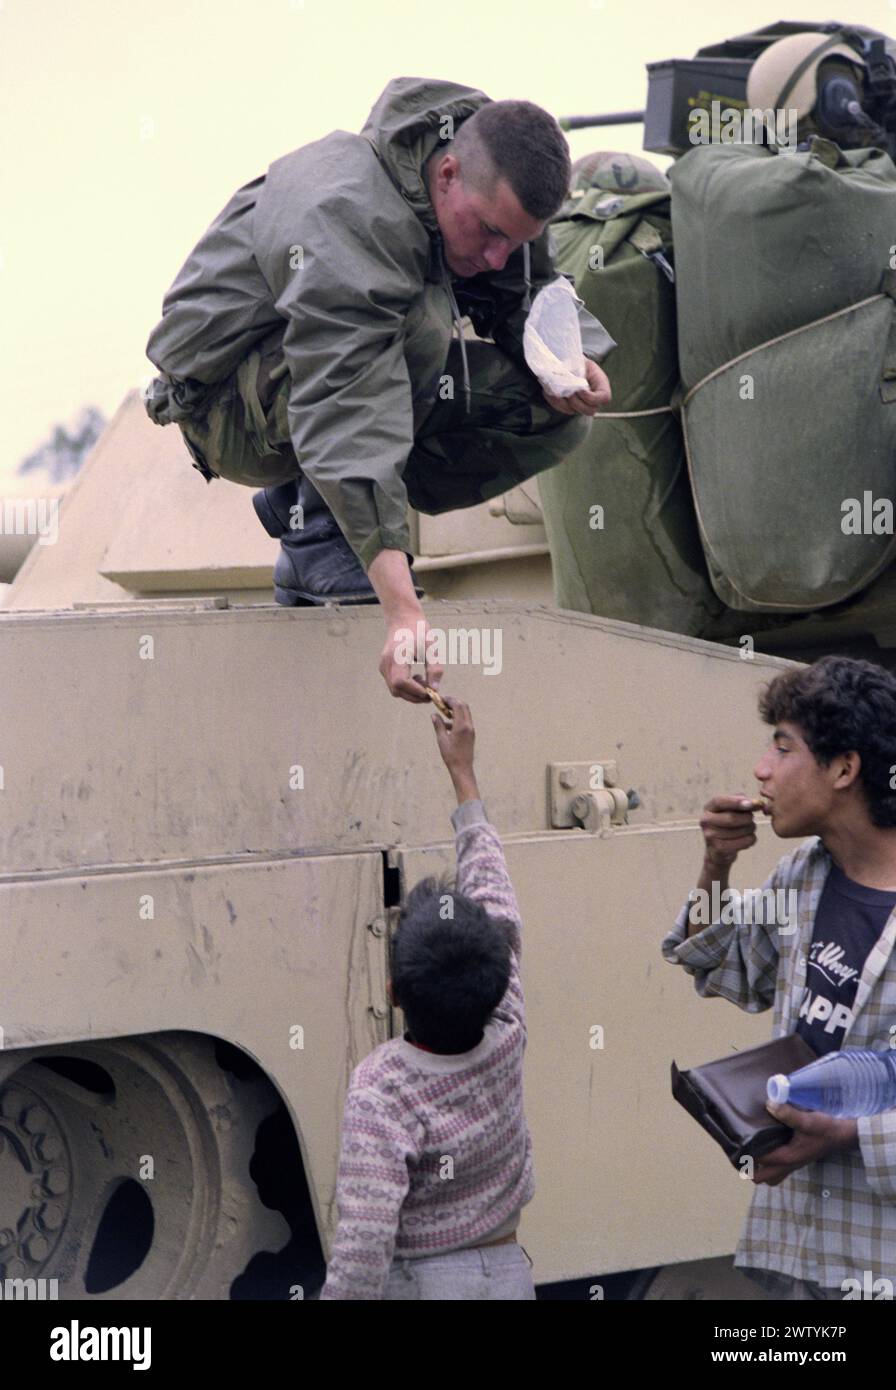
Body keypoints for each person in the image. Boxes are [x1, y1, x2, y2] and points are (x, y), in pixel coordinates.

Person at [142, 78, 614, 704]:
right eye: (490, 233)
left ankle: (319, 513)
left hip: (318, 386)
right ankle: (321, 533)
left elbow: (518, 290)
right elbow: (347, 402)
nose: (499, 256)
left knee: (553, 417)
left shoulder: (488, 191)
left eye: (516, 241)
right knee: (415, 323)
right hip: (227, 409)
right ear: (447, 174)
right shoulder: (347, 211)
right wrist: (402, 610)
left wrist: (567, 358)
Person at [663, 655, 896, 1300]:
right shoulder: (805, 873)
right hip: (800, 1246)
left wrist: (843, 1133)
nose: (762, 769)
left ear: (844, 769)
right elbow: (718, 965)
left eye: (782, 747)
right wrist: (715, 863)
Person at [319, 698, 535, 1299]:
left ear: (392, 992)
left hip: (423, 1285)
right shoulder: (508, 1027)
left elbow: (363, 1249)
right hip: (508, 1272)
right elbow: (497, 903)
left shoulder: (383, 1087)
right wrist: (463, 772)